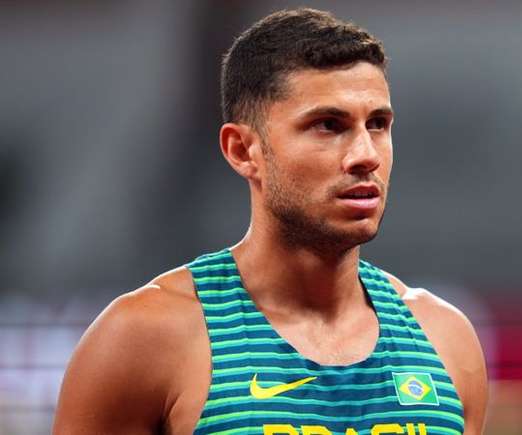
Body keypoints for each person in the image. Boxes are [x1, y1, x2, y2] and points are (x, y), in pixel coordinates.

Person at [53, 8, 488, 435]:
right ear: (243, 150)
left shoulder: (444, 338)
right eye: (327, 125)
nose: (366, 155)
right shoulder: (147, 337)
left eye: (377, 124)